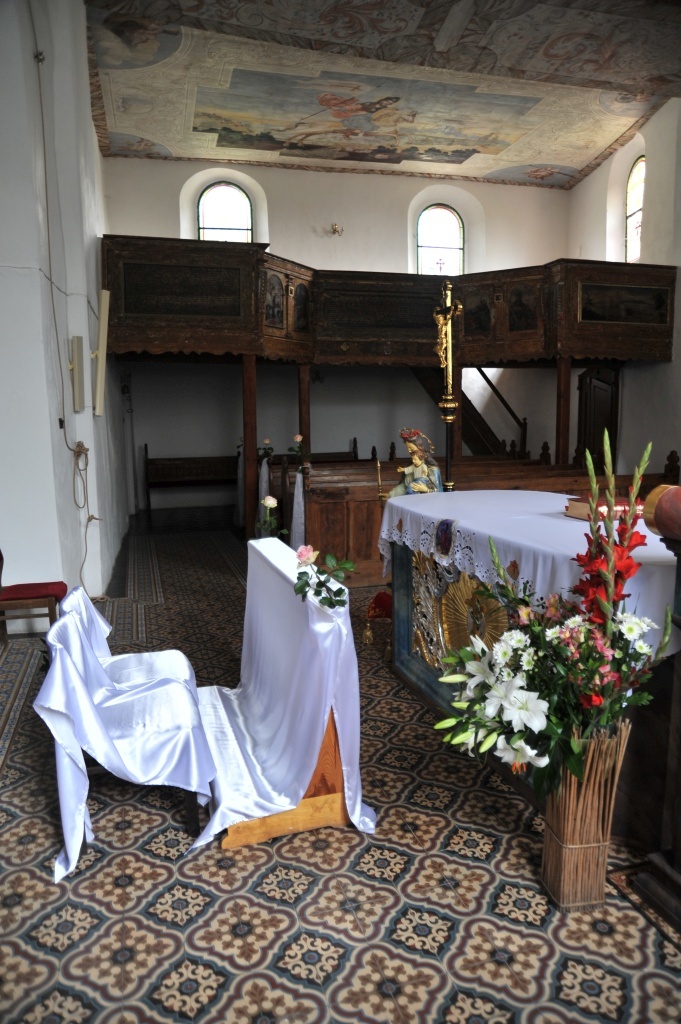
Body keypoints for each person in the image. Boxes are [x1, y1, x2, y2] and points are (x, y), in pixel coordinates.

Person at [389, 428, 443, 497]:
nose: (409, 451)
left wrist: (426, 489)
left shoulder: (432, 468)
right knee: (392, 495)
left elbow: (437, 491)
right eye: (408, 448)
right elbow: (406, 478)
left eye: (411, 448)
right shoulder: (413, 463)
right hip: (407, 489)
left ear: (418, 446)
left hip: (423, 496)